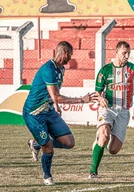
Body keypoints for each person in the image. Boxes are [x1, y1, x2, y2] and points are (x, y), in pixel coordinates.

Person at [23, 41, 96, 185]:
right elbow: (56, 96)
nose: (71, 58)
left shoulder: (61, 69)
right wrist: (81, 100)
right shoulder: (48, 69)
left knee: (69, 142)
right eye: (71, 55)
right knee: (49, 147)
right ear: (65, 53)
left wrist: (56, 106)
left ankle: (36, 145)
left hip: (49, 111)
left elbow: (53, 94)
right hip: (35, 114)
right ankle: (47, 177)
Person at [88, 41, 134, 179]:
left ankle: (102, 143)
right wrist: (101, 99)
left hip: (123, 111)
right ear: (116, 52)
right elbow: (97, 93)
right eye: (124, 53)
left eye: (128, 53)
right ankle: (93, 172)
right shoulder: (105, 71)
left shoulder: (133, 69)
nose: (126, 56)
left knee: (113, 150)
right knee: (104, 135)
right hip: (107, 109)